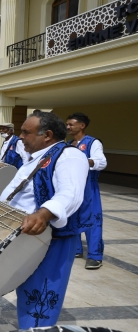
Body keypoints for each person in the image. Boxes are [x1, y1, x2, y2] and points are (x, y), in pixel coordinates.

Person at [0, 111, 89, 329]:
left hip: (51, 238)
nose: (20, 136)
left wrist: (44, 213)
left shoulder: (69, 156)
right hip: (28, 236)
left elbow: (71, 193)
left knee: (42, 294)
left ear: (47, 135)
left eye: (25, 132)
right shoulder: (37, 157)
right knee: (28, 288)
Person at [67, 112, 107, 270]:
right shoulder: (69, 144)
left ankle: (95, 256)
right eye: (67, 124)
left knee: (93, 219)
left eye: (71, 124)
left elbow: (101, 162)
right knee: (72, 216)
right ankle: (76, 249)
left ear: (82, 125)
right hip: (72, 185)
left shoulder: (93, 142)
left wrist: (81, 160)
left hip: (88, 185)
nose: (68, 127)